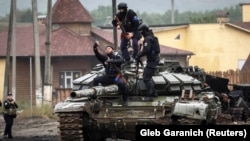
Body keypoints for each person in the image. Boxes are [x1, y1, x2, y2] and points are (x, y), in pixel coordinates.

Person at [92, 40, 129, 106]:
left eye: (109, 48)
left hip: (116, 77)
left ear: (113, 50)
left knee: (122, 84)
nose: (107, 49)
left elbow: (121, 60)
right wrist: (95, 47)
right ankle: (94, 97)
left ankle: (125, 100)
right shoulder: (105, 58)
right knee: (96, 80)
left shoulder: (117, 56)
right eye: (106, 49)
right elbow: (98, 55)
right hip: (108, 77)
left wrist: (111, 61)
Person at [135, 24, 160, 101]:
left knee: (146, 78)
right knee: (148, 76)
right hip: (154, 59)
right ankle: (154, 93)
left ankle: (149, 96)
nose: (141, 34)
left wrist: (138, 55)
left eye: (141, 32)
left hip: (152, 61)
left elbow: (146, 49)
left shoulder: (148, 38)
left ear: (144, 31)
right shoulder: (153, 37)